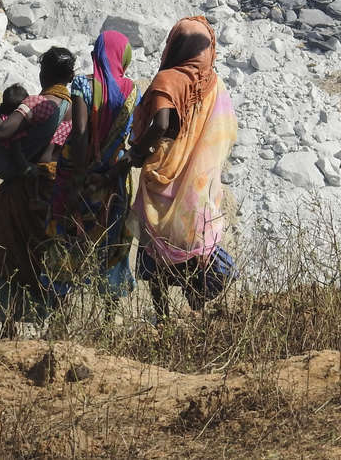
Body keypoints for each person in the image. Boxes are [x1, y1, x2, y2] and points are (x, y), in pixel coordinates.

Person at [115, 16, 238, 320]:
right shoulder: (214, 84)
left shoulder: (167, 80)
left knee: (155, 247)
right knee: (194, 248)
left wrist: (136, 154)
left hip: (164, 177)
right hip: (196, 184)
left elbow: (161, 124)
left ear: (175, 46)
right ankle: (198, 310)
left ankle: (163, 316)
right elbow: (226, 131)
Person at [0, 47, 75, 336]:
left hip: (20, 190)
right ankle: (51, 321)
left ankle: (7, 323)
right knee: (39, 254)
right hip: (49, 191)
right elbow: (56, 150)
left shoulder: (38, 102)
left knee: (8, 253)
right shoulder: (70, 108)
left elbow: (5, 132)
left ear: (44, 72)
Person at [42, 31, 140, 318]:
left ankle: (58, 314)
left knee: (66, 240)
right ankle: (108, 315)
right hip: (114, 181)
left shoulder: (83, 85)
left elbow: (80, 132)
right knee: (110, 241)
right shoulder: (133, 90)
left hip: (78, 174)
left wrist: (78, 179)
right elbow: (133, 136)